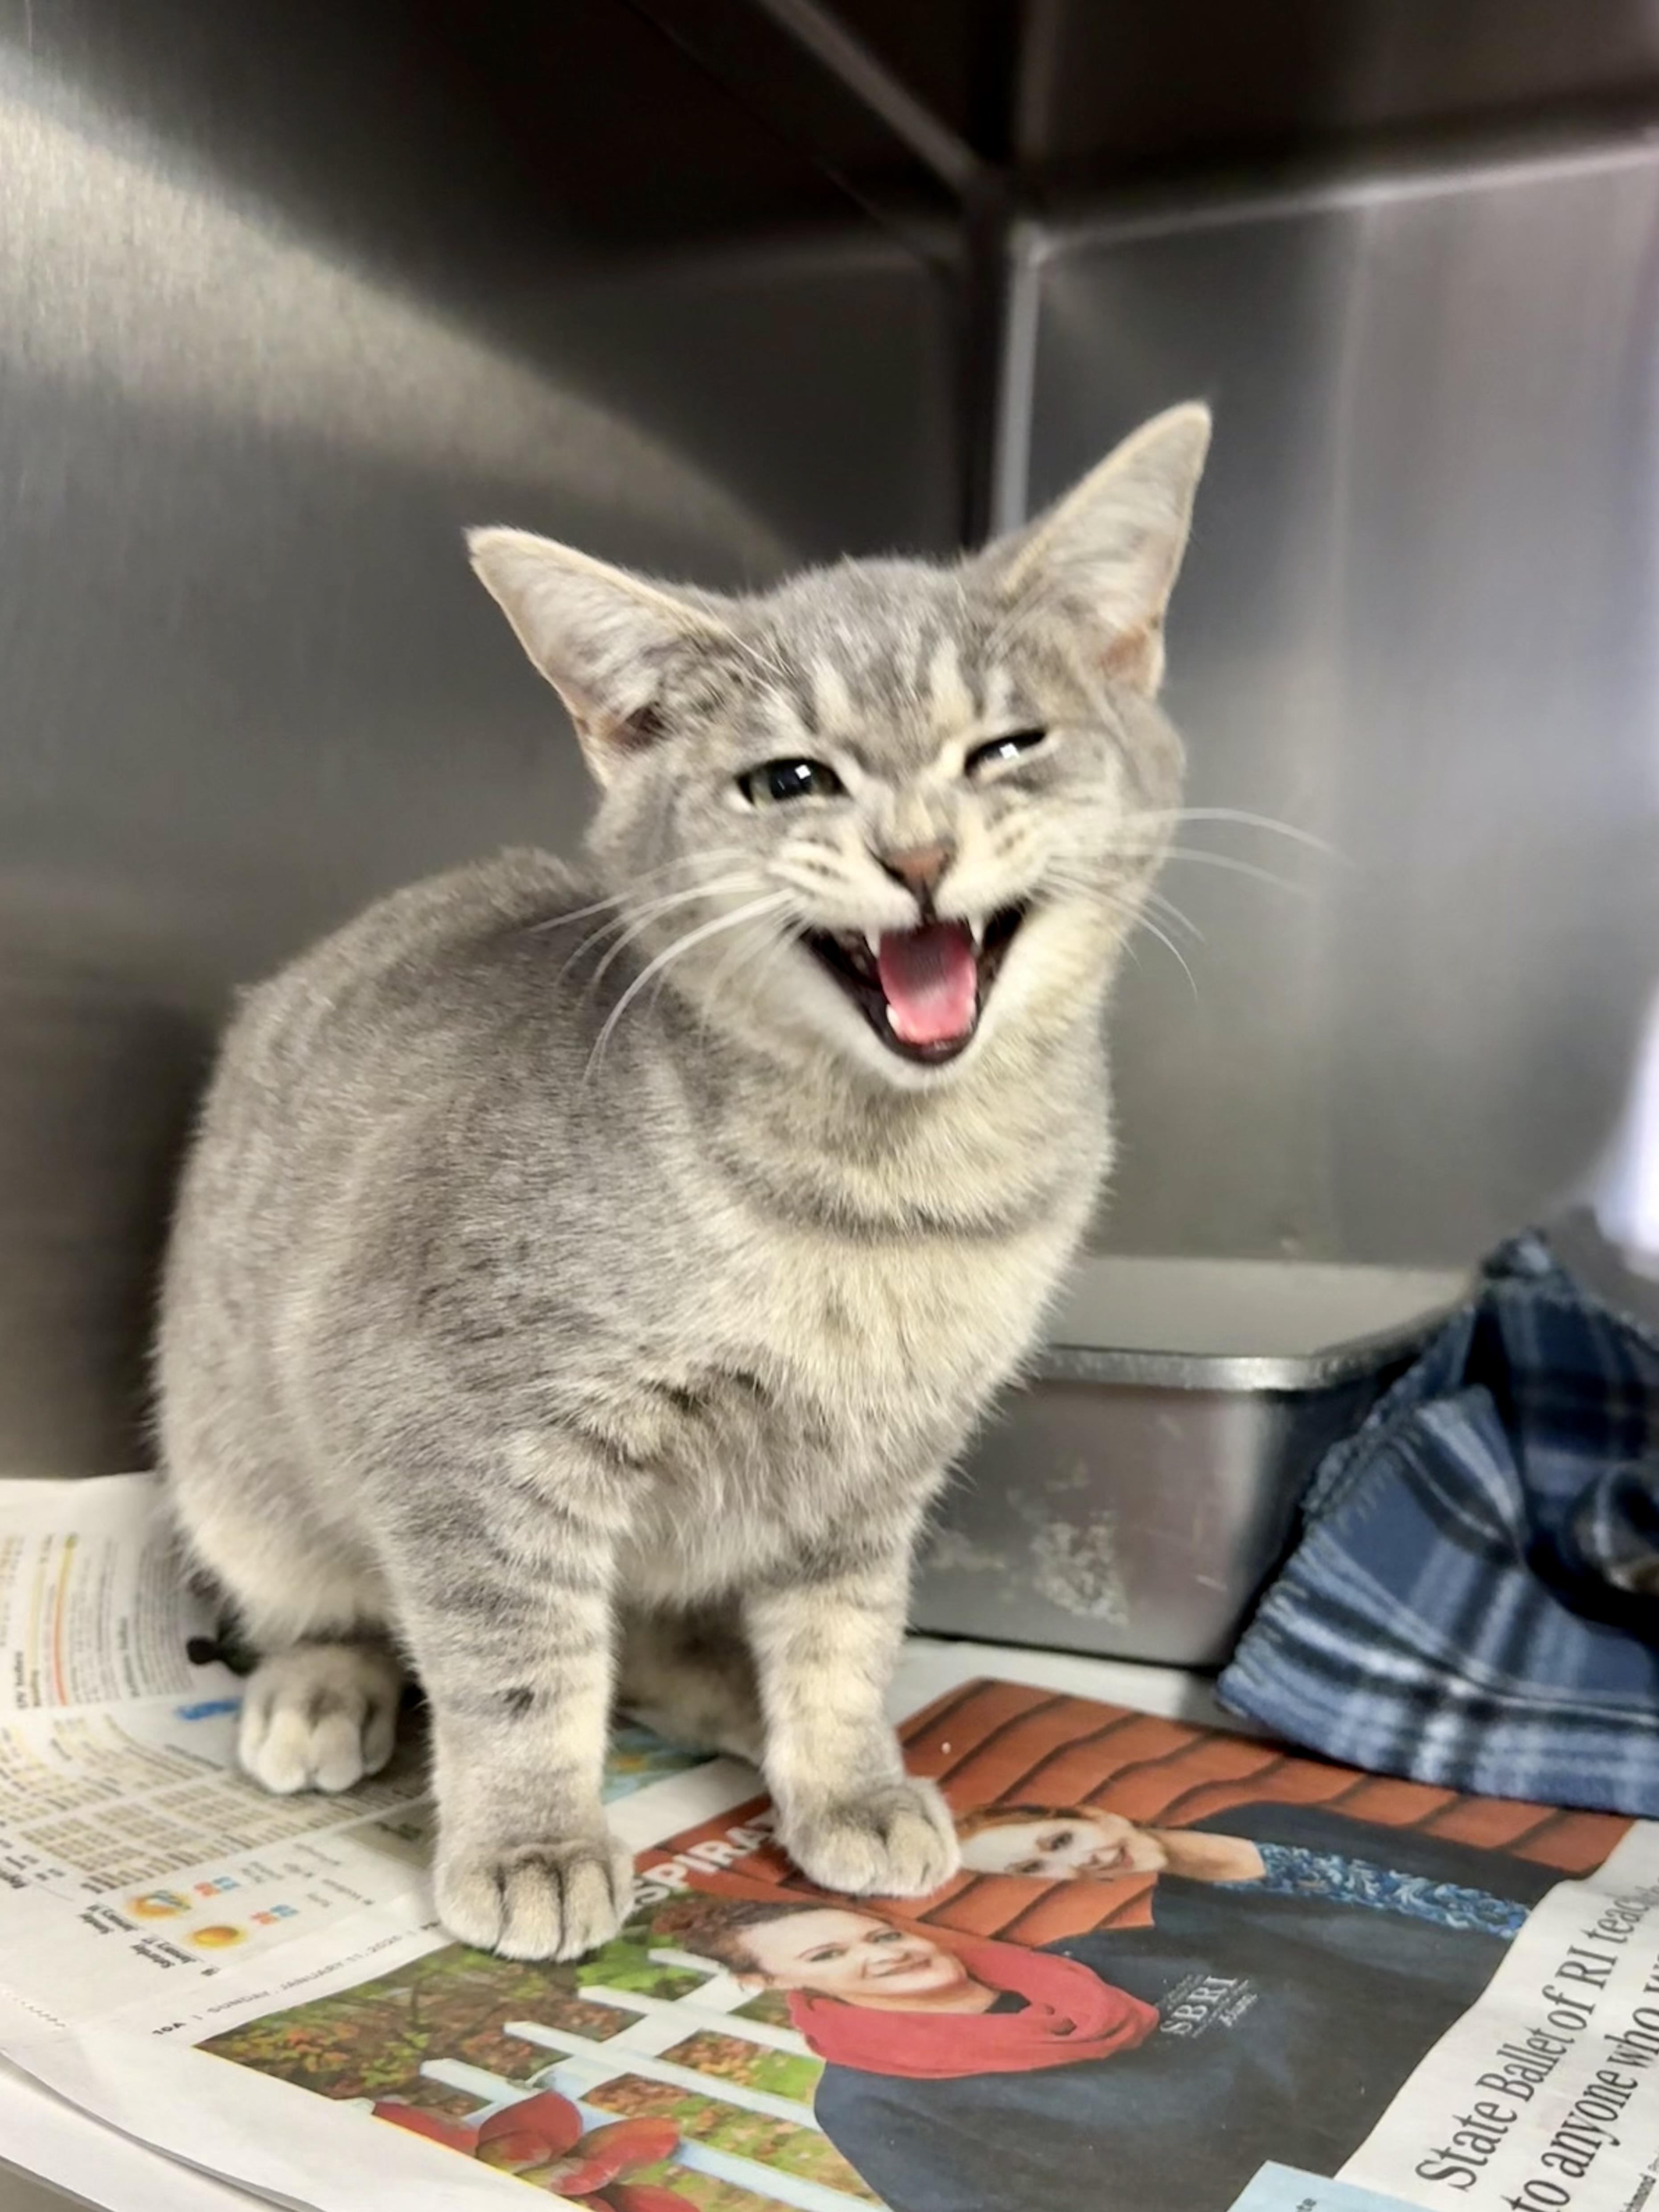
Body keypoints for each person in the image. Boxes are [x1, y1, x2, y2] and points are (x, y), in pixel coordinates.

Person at [657, 1883, 1500, 2212]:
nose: (882, 1953)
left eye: (873, 1931)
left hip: (1477, 2127)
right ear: (769, 1984)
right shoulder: (867, 2100)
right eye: (829, 1957)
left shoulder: (1099, 1956)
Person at [956, 1797, 1560, 1989]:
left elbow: (1450, 1855)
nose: (1079, 1857)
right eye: (1037, 1868)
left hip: (1559, 1913)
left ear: (1094, 1812)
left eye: (1061, 1836)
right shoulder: (1187, 1923)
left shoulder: (1258, 1812)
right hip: (1521, 1980)